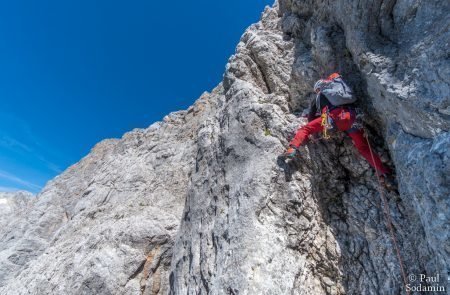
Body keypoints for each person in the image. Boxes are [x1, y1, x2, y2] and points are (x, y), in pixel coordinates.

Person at [283, 73, 394, 187]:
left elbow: (311, 117)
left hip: (334, 118)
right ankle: (383, 173)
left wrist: (314, 135)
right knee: (363, 148)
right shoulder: (342, 92)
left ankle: (292, 148)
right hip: (353, 119)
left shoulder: (320, 95)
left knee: (305, 129)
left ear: (318, 88)